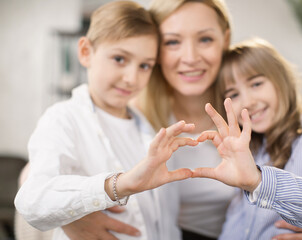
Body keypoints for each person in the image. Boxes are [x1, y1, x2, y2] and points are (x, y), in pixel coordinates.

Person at [14, 1, 198, 240]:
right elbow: (33, 201)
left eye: (144, 65)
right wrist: (119, 185)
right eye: (120, 59)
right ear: (85, 52)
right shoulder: (62, 120)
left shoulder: (151, 130)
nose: (132, 78)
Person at [62, 1, 235, 240]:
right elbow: (37, 176)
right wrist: (69, 219)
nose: (191, 57)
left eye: (205, 39)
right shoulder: (131, 115)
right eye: (172, 42)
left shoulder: (251, 109)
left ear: (225, 40)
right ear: (154, 49)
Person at [191, 38, 302, 239]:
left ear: (281, 80)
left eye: (256, 84)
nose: (248, 102)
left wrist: (260, 181)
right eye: (234, 94)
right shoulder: (252, 152)